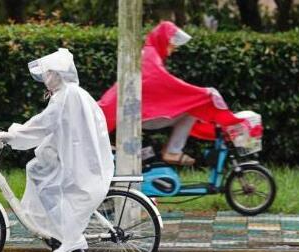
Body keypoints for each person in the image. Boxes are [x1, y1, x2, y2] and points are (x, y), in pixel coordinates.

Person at [0, 48, 114, 252]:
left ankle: (70, 236)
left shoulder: (66, 96)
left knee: (44, 179)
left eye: (48, 73)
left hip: (77, 157)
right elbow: (49, 124)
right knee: (36, 170)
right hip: (75, 152)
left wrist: (13, 135)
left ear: (58, 75)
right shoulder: (69, 93)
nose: (45, 78)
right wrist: (16, 133)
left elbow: (44, 124)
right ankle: (58, 231)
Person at [98, 21, 242, 165]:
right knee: (193, 108)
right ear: (163, 40)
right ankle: (172, 151)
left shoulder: (148, 54)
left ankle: (171, 150)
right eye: (172, 43)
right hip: (138, 114)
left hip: (133, 112)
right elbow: (165, 82)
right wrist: (201, 93)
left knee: (191, 107)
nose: (174, 48)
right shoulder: (150, 56)